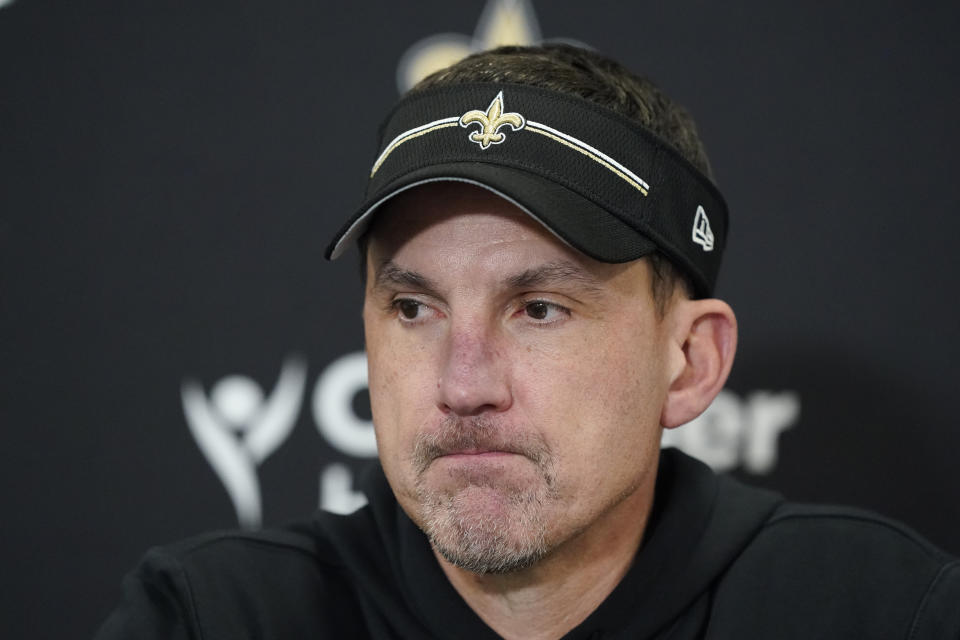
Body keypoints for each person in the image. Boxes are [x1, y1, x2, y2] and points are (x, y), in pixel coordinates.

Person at [95, 44, 960, 639]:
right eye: (413, 309)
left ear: (691, 362)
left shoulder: (877, 611)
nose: (463, 385)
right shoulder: (213, 618)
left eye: (540, 308)